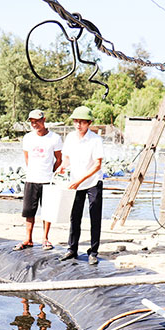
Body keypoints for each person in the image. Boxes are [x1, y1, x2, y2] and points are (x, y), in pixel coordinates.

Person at [59, 106, 104, 265]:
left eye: (82, 122)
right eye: (76, 121)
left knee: (94, 216)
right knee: (74, 216)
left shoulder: (96, 139)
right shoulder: (70, 137)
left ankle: (93, 252)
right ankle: (72, 249)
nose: (78, 125)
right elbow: (67, 158)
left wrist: (80, 180)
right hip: (75, 182)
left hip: (92, 182)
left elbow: (97, 165)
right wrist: (63, 167)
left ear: (89, 123)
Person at [13, 109, 62, 251]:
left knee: (47, 211)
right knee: (29, 211)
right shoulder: (28, 138)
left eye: (37, 121)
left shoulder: (54, 138)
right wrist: (33, 172)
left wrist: (51, 172)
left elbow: (58, 159)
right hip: (31, 179)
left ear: (44, 120)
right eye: (32, 122)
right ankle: (28, 239)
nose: (34, 124)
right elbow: (27, 158)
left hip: (47, 181)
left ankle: (45, 238)